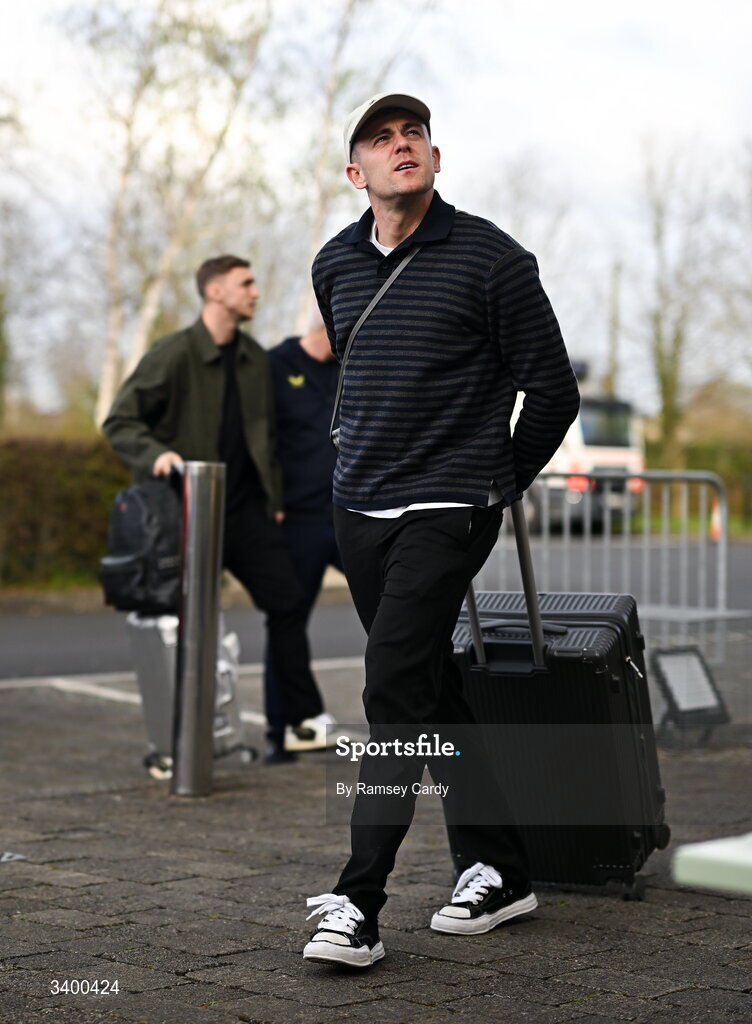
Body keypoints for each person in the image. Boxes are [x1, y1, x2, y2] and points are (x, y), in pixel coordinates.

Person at [303, 93, 581, 968]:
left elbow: (554, 391)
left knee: (389, 689)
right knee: (430, 686)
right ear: (357, 173)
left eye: (413, 135)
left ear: (433, 156)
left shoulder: (493, 259)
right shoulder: (334, 263)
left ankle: (358, 901)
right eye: (381, 141)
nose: (401, 147)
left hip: (449, 503)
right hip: (362, 508)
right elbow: (358, 374)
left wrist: (493, 485)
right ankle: (501, 868)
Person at [102, 254, 326, 764]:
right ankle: (171, 747)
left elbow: (265, 439)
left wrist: (273, 500)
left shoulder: (252, 358)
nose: (255, 292)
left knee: (287, 601)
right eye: (245, 284)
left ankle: (296, 722)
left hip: (246, 512)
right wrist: (157, 454)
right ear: (216, 293)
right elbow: (120, 420)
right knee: (182, 628)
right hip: (187, 515)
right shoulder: (174, 353)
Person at [265, 309, 345, 752]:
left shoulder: (349, 369)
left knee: (401, 608)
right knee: (287, 618)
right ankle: (287, 728)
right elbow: (257, 438)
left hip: (350, 513)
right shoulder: (275, 366)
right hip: (296, 518)